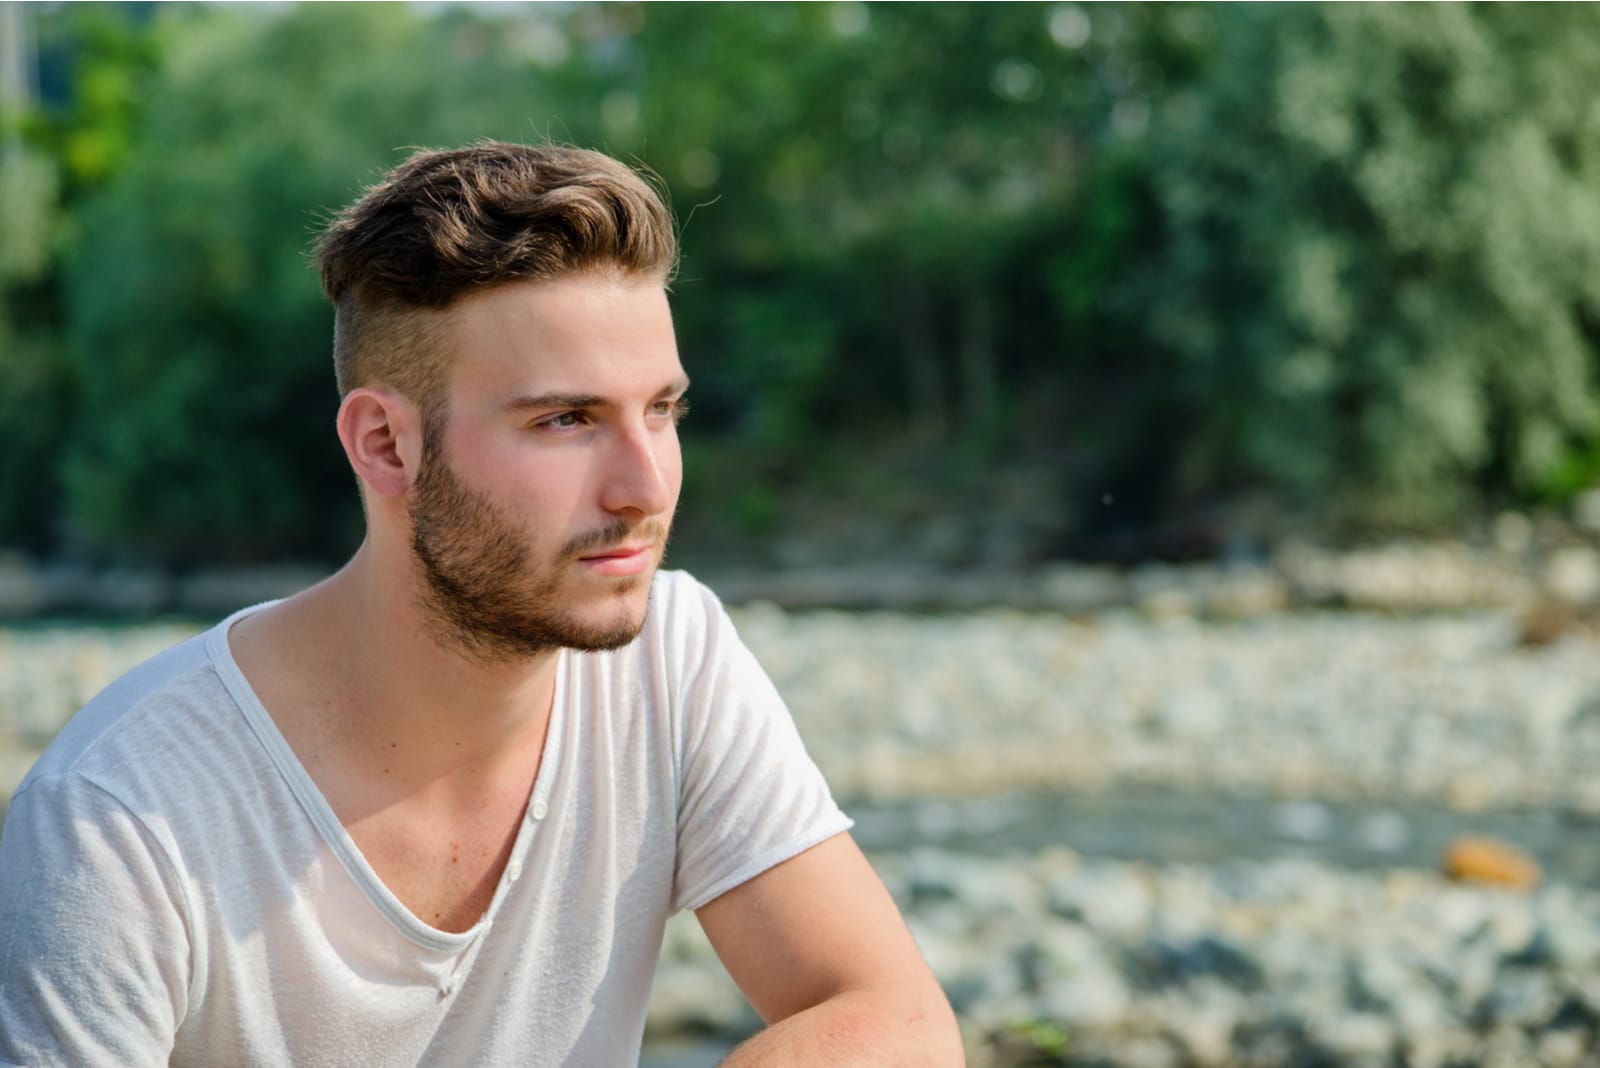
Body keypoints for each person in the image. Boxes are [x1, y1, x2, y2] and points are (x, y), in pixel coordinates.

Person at [0, 141, 961, 1066]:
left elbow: (893, 1021)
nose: (645, 485)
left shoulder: (671, 656)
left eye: (662, 411)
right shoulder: (119, 818)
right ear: (384, 445)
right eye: (567, 420)